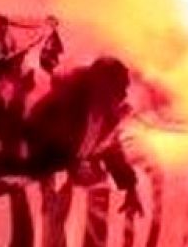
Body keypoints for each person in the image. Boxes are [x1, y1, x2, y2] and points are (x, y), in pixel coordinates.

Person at [23, 57, 142, 214]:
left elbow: (111, 149)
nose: (123, 95)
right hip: (32, 177)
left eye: (123, 88)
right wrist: (70, 165)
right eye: (118, 87)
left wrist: (130, 187)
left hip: (51, 183)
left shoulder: (105, 114)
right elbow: (37, 135)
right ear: (99, 83)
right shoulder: (64, 103)